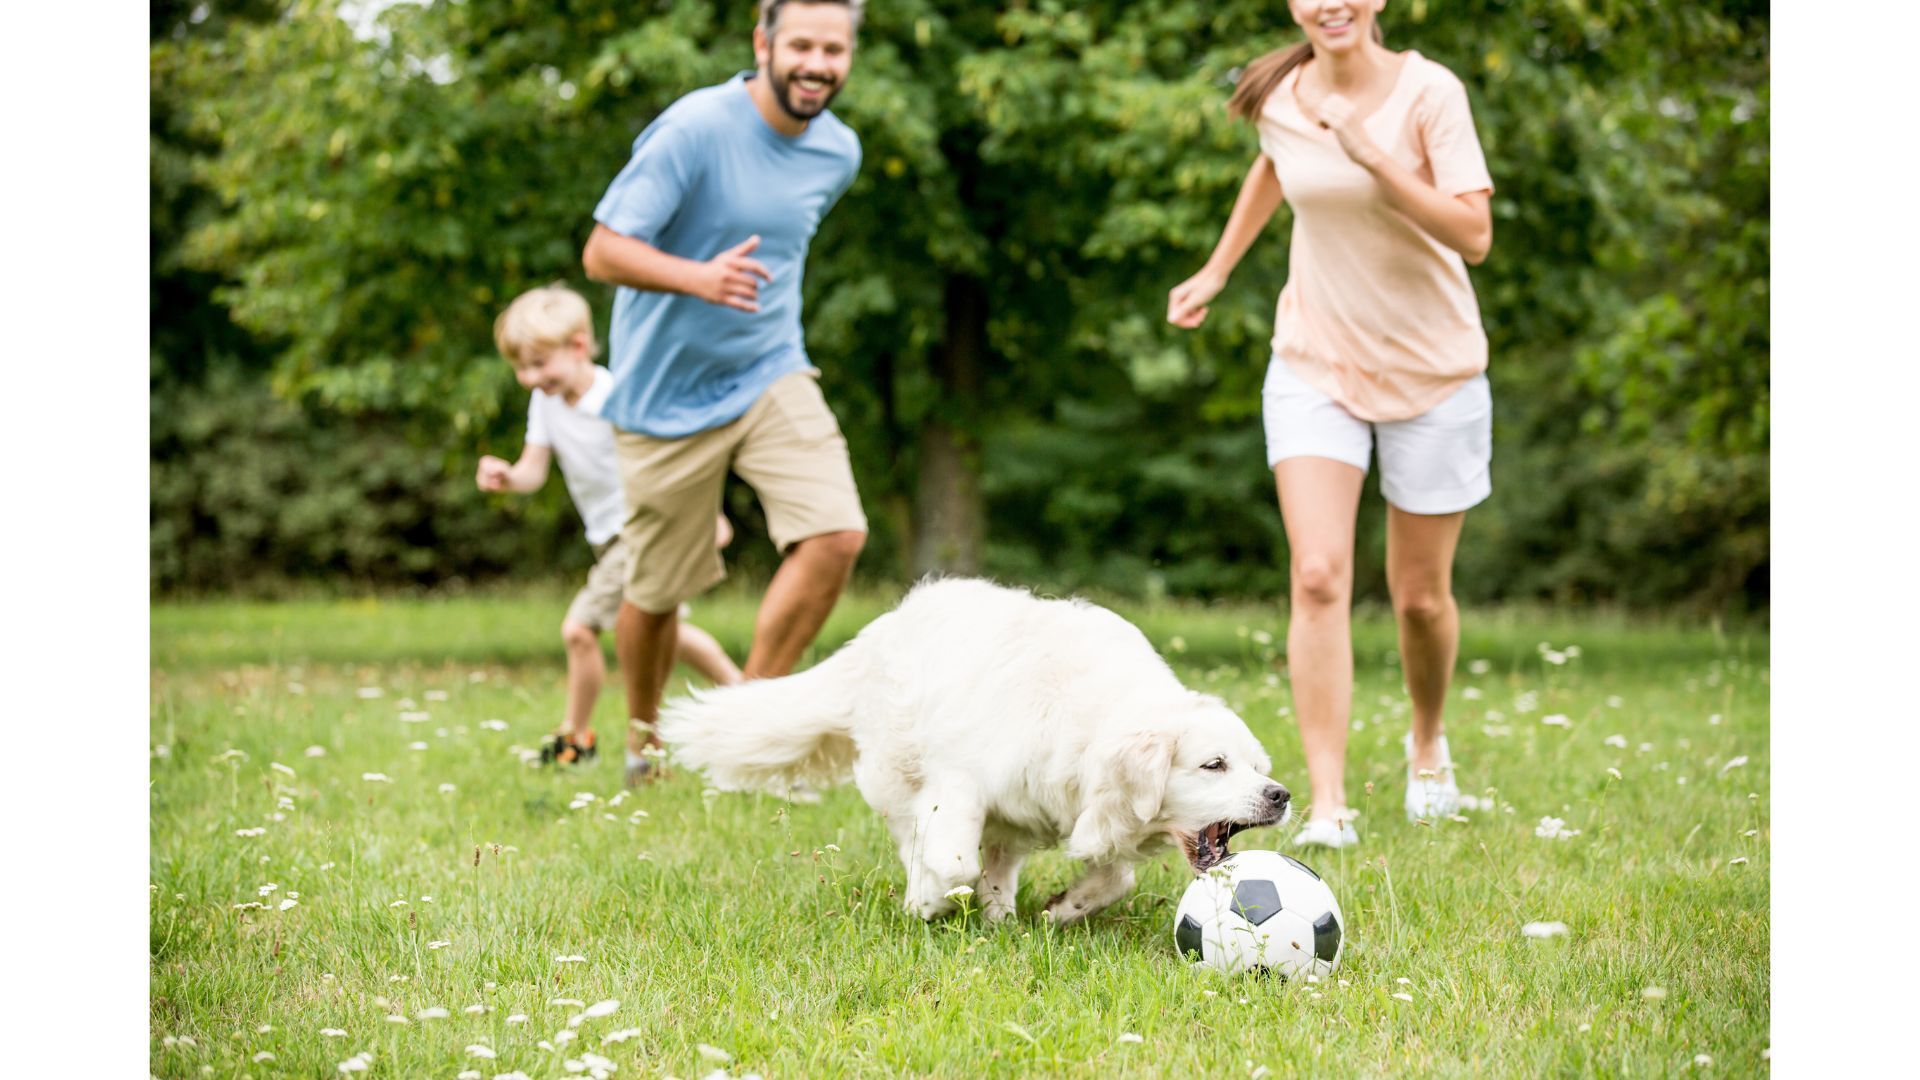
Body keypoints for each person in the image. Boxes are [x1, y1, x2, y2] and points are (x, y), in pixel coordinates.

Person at [1167, 0, 1496, 847]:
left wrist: (1373, 155)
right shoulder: (1283, 93)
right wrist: (1216, 270)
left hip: (1435, 370)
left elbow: (1475, 232)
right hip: (1316, 360)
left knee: (1420, 598)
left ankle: (1428, 745)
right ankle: (1328, 804)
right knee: (1317, 574)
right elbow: (1274, 167)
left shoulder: (1430, 93)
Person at [581, 0, 869, 786]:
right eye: (802, 44)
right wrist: (698, 277)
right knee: (656, 592)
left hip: (770, 367)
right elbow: (602, 250)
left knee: (836, 534)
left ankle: (745, 721)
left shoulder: (838, 152)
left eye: (834, 49)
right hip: (662, 394)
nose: (817, 63)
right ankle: (645, 746)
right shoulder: (695, 129)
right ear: (763, 43)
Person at [479, 284, 744, 767]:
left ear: (578, 346)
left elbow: (670, 462)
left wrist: (707, 517)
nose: (529, 377)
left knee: (579, 629)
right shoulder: (547, 403)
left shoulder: (617, 396)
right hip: (606, 539)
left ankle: (576, 739)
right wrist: (508, 477)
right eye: (520, 367)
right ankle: (751, 700)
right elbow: (534, 470)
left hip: (641, 528)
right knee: (666, 630)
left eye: (539, 364)